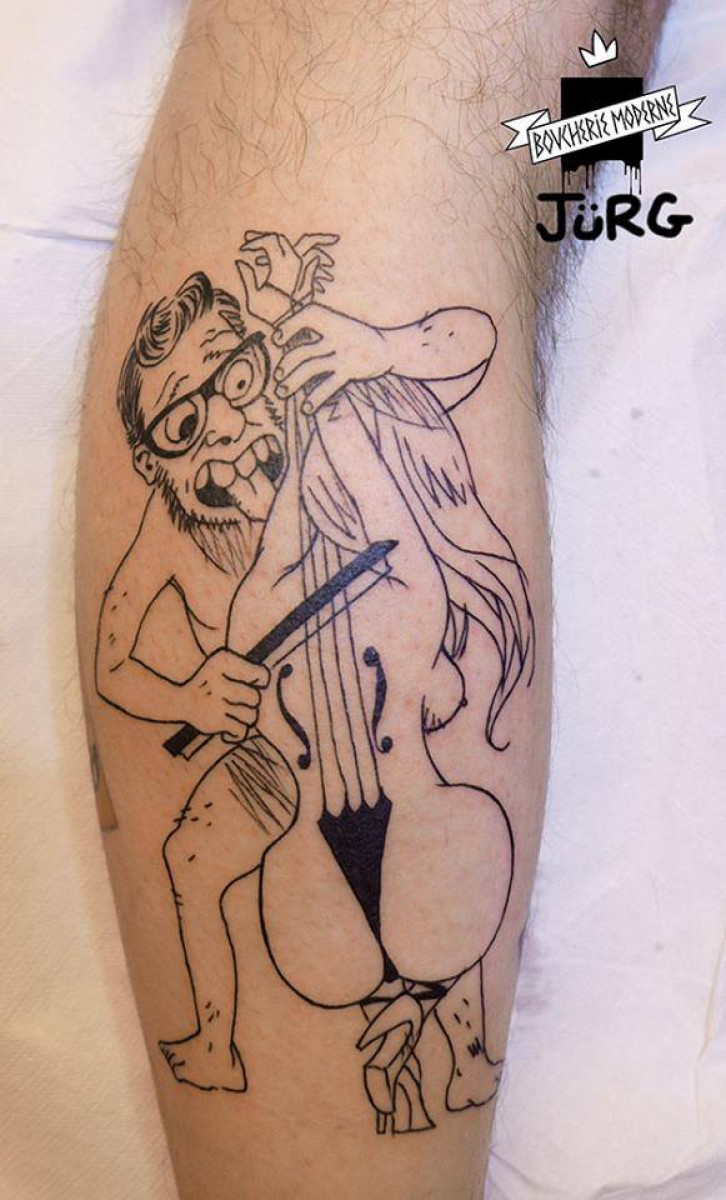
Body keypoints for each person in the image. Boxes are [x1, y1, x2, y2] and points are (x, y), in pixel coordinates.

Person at [76, 2, 666, 1195]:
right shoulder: (172, 522)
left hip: (391, 734)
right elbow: (122, 660)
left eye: (231, 381)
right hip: (272, 758)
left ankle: (453, 1026)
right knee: (196, 857)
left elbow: (454, 338)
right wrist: (195, 690)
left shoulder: (333, 416)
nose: (220, 429)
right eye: (182, 429)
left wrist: (369, 345)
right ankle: (221, 1035)